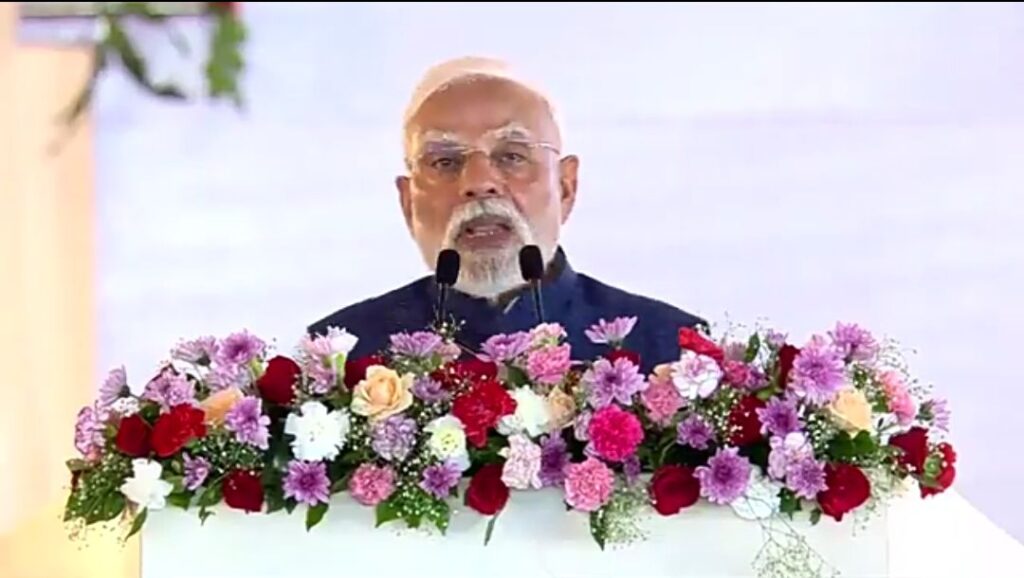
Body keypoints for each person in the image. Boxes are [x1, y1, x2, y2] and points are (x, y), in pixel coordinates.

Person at [309, 56, 705, 373]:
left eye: (511, 156)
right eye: (445, 162)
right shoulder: (341, 359)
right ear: (408, 203)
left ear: (566, 187)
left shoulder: (673, 353)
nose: (479, 183)